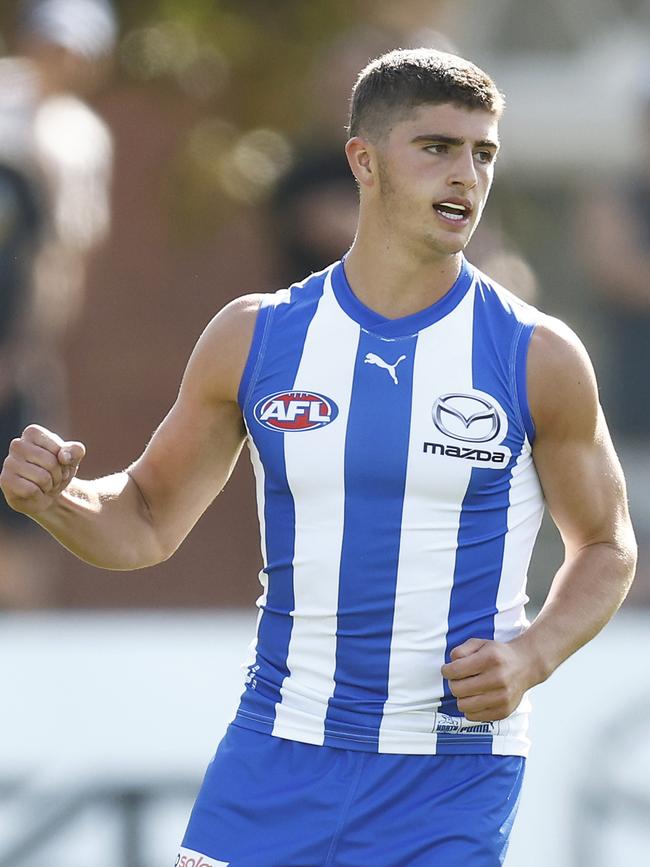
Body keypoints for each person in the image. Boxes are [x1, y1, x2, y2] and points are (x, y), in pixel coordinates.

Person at [0, 49, 637, 866]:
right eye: (437, 147)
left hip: (449, 775)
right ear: (362, 161)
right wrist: (58, 499)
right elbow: (148, 520)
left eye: (483, 154)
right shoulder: (256, 335)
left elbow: (608, 543)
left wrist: (533, 653)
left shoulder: (536, 354)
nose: (466, 176)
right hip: (276, 752)